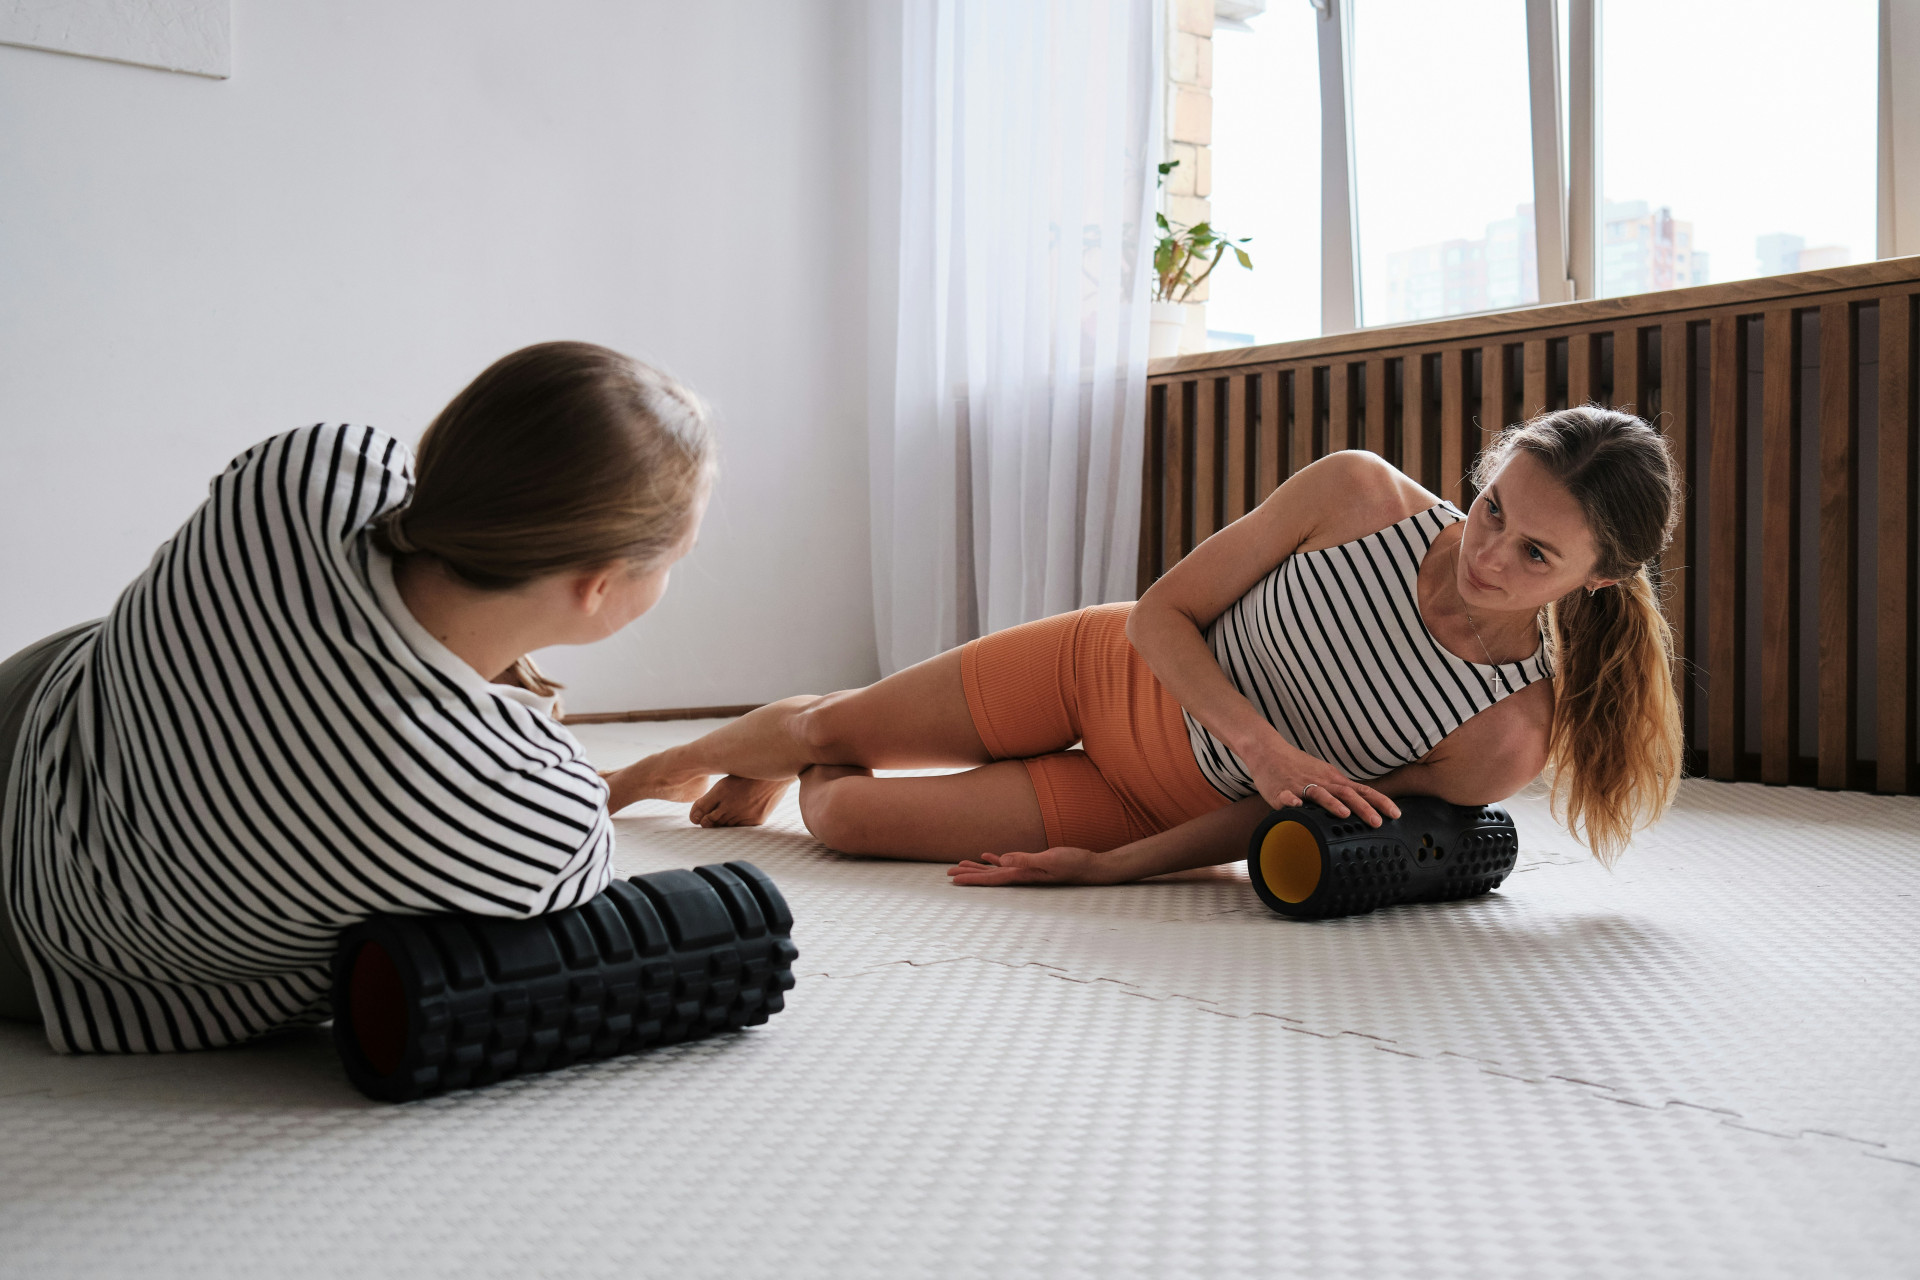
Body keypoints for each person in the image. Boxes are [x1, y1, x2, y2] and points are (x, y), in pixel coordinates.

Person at [605, 406, 1683, 887]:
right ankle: (657, 767)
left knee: (841, 815)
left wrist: (1111, 868)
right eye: (1493, 507)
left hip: (1148, 806)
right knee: (826, 731)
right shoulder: (1358, 495)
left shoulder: (1504, 736)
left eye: (1534, 554)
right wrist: (1263, 742)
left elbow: (1289, 815)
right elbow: (1159, 613)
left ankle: (800, 747)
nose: (1487, 553)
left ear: (1596, 580)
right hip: (1103, 670)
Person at [0, 341, 715, 1051]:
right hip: (63, 954)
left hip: (25, 718)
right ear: (597, 586)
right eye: (673, 561)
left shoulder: (306, 474)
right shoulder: (536, 818)